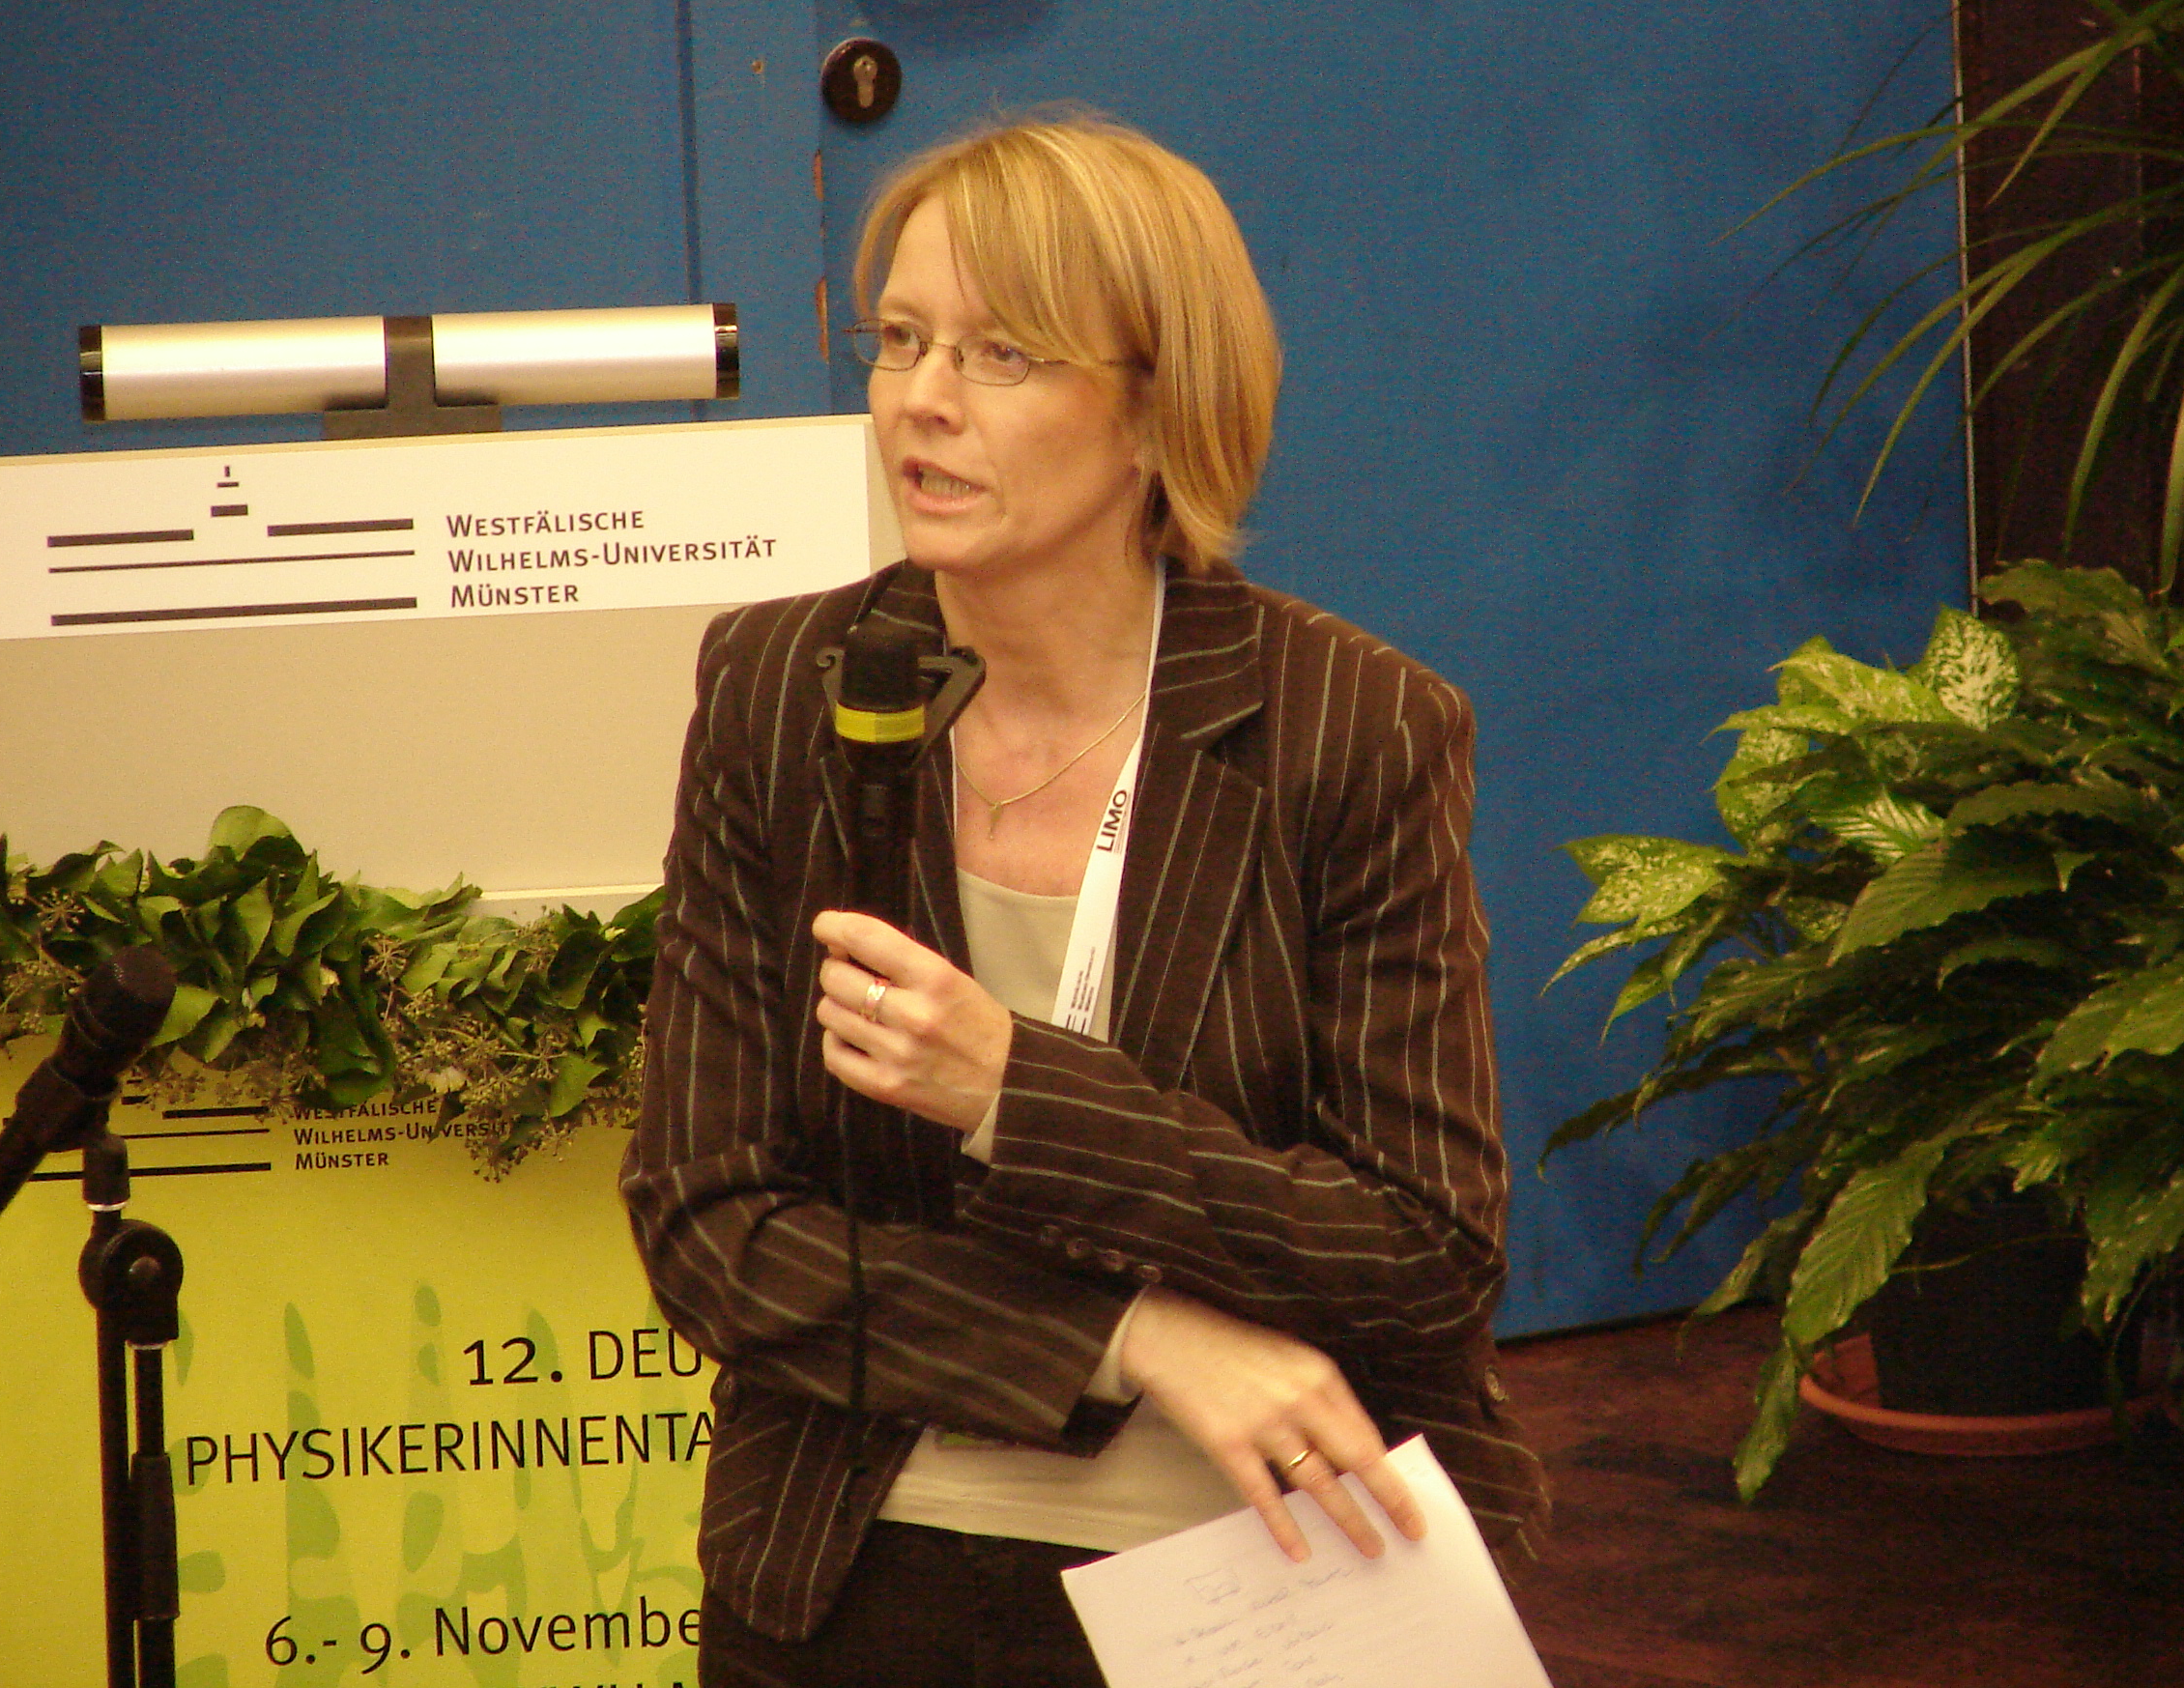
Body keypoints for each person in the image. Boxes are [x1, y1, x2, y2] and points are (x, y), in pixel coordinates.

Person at [621, 111, 1547, 1688]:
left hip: (1261, 1557)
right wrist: (1132, 1338)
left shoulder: (1351, 727)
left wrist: (1010, 1093)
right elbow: (710, 1225)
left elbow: (1422, 1249)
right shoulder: (783, 686)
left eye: (1001, 355)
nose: (920, 399)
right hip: (862, 1532)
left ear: (1156, 411)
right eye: (899, 340)